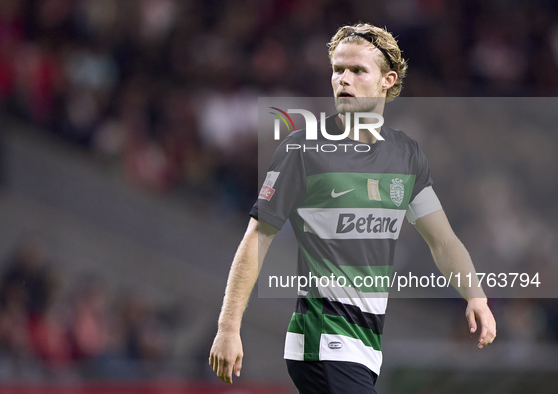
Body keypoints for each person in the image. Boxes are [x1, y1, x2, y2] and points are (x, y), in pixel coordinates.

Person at [209, 22, 496, 393]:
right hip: (322, 342)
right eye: (337, 70)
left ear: (387, 80)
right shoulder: (303, 149)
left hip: (366, 348)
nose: (343, 79)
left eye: (357, 70)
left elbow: (442, 240)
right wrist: (228, 328)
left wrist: (476, 296)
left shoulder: (405, 154)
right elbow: (257, 237)